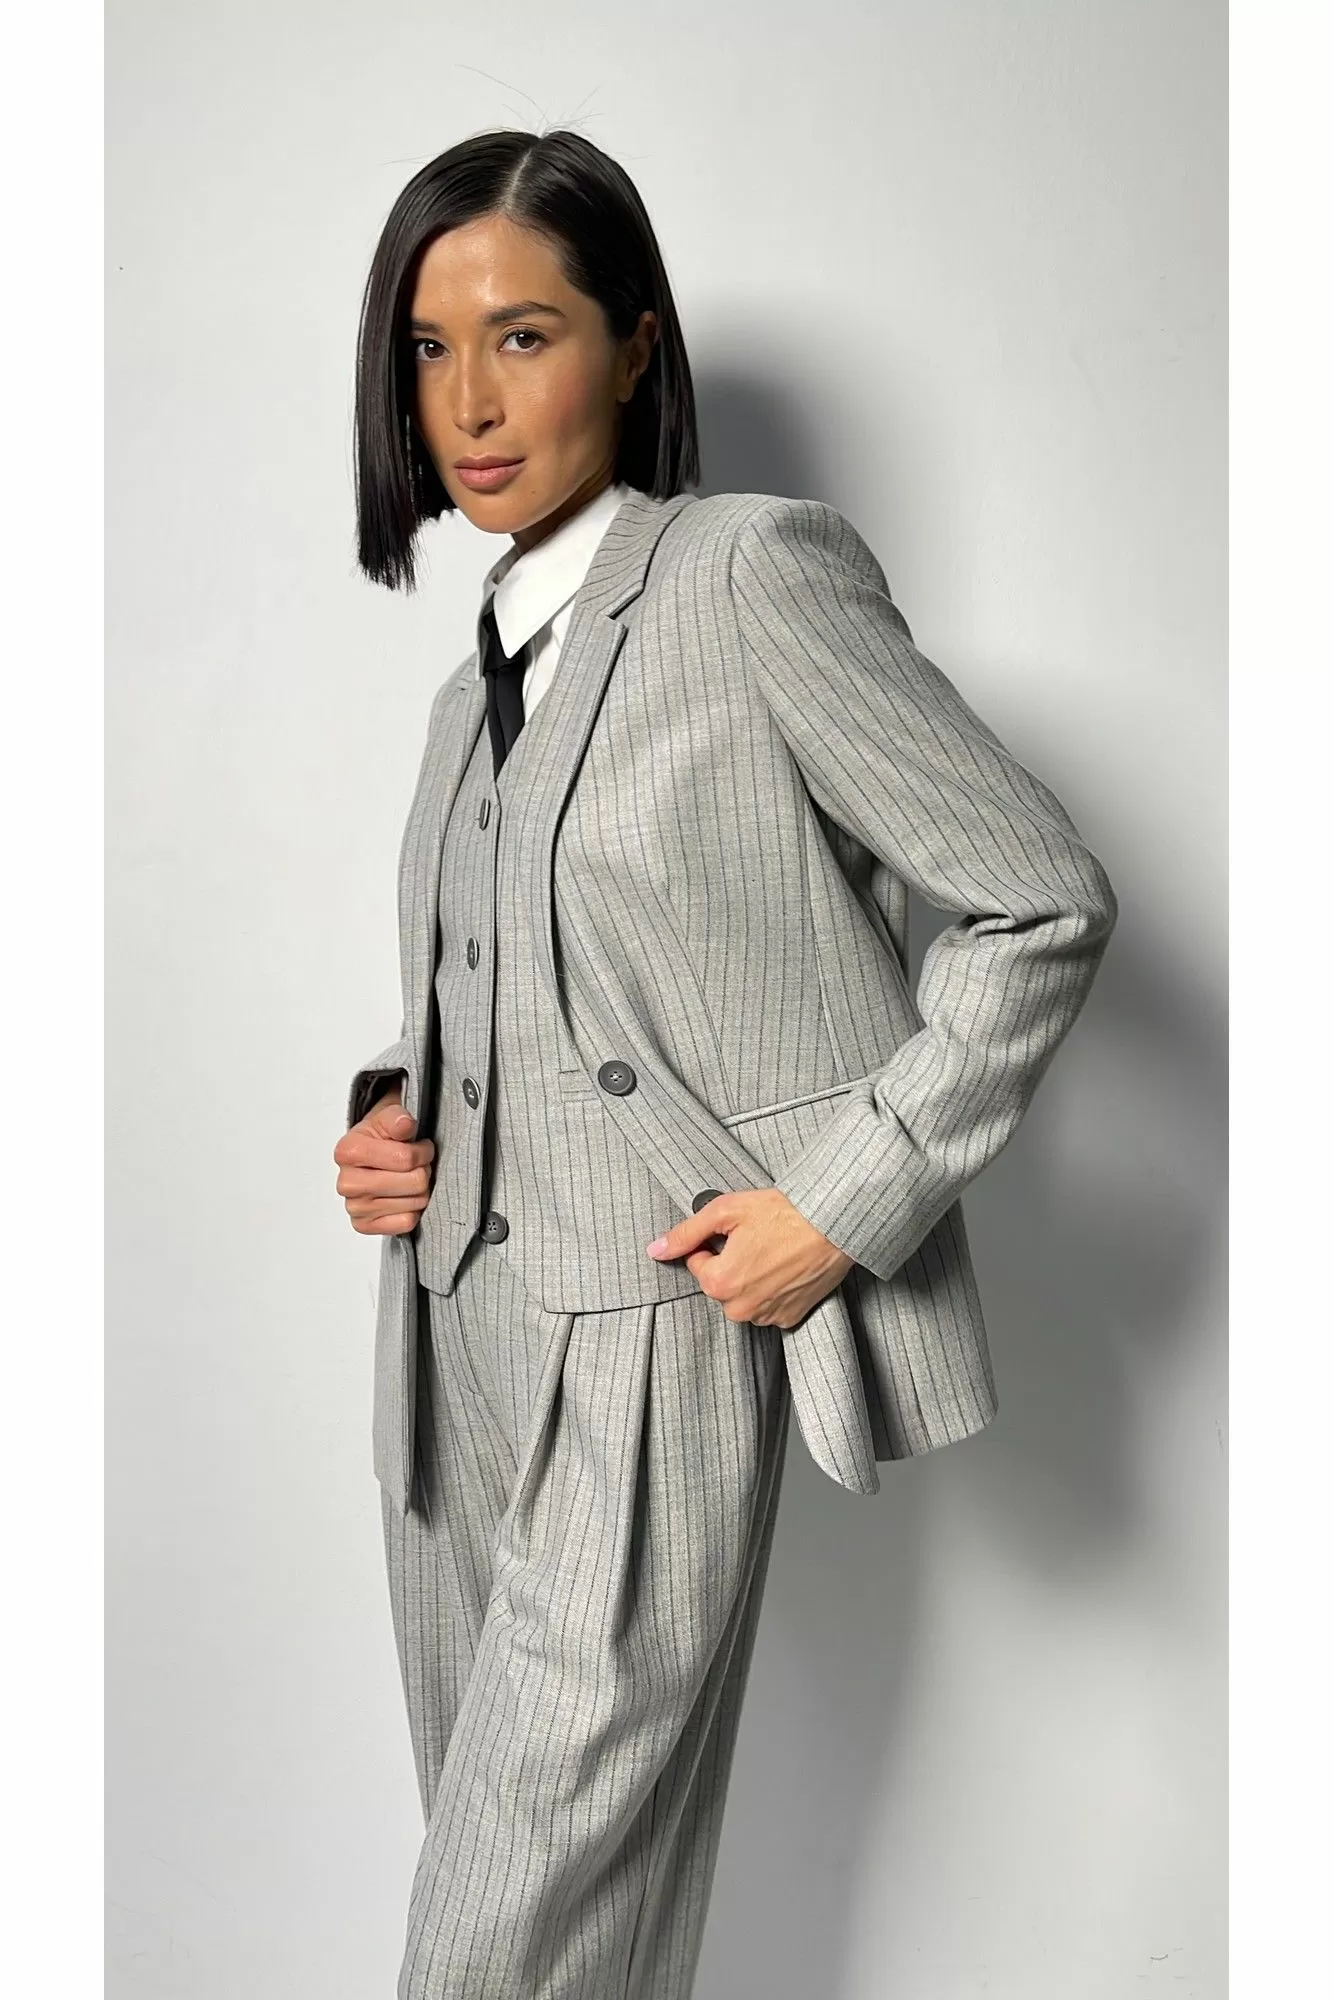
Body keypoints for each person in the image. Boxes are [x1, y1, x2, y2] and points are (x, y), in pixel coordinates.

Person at [333, 127, 1117, 2000]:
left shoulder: (751, 574)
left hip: (647, 1335)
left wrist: (840, 1207)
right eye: (431, 350)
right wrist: (391, 1109)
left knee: (488, 1948)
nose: (470, 401)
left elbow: (1038, 899)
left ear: (635, 346)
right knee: (563, 1937)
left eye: (525, 336)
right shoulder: (469, 688)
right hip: (446, 1357)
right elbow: (538, 978)